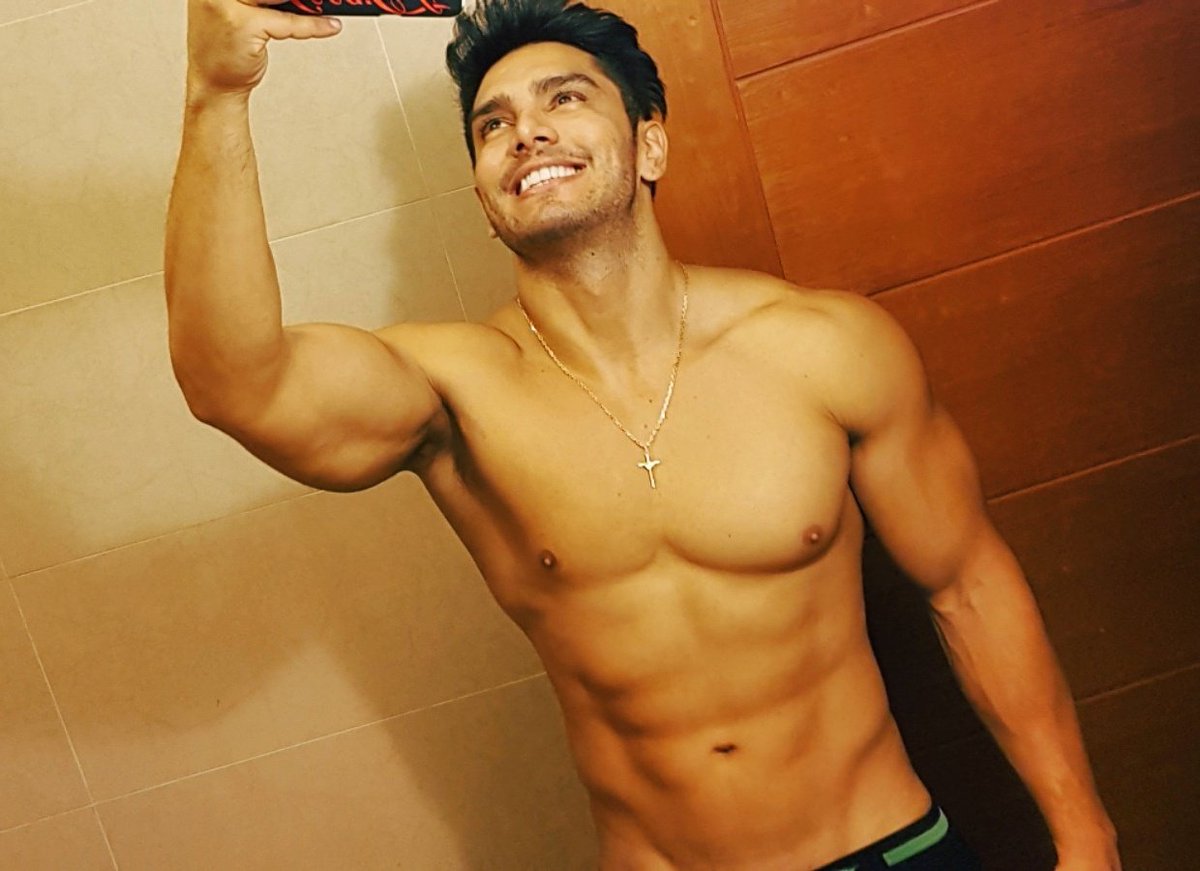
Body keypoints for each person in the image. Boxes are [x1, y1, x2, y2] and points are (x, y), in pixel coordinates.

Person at [166, 0, 1122, 868]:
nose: (525, 131)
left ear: (649, 143)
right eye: (492, 125)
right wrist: (216, 93)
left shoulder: (822, 347)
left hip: (887, 848)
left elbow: (967, 584)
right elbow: (234, 384)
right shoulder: (455, 392)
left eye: (565, 98)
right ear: (484, 196)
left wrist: (1085, 833)